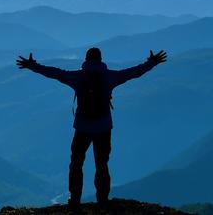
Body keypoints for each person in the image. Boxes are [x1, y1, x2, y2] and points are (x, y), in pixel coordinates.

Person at [16, 47, 167, 208]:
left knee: (76, 163)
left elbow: (54, 73)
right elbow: (133, 72)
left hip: (82, 128)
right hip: (103, 128)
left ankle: (75, 199)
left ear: (86, 59)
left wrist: (32, 65)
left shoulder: (77, 77)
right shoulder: (110, 77)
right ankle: (102, 199)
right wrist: (152, 62)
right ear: (101, 59)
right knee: (101, 164)